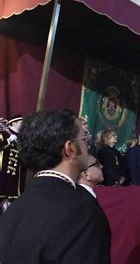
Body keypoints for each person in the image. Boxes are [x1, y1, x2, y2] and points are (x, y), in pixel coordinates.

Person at [0, 109, 111, 263]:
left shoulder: (14, 209)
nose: (88, 147)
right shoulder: (83, 212)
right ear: (70, 149)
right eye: (85, 140)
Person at [0, 115, 26, 206]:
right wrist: (8, 141)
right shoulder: (4, 134)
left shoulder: (22, 137)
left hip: (18, 174)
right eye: (21, 123)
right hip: (4, 172)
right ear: (14, 123)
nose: (23, 125)